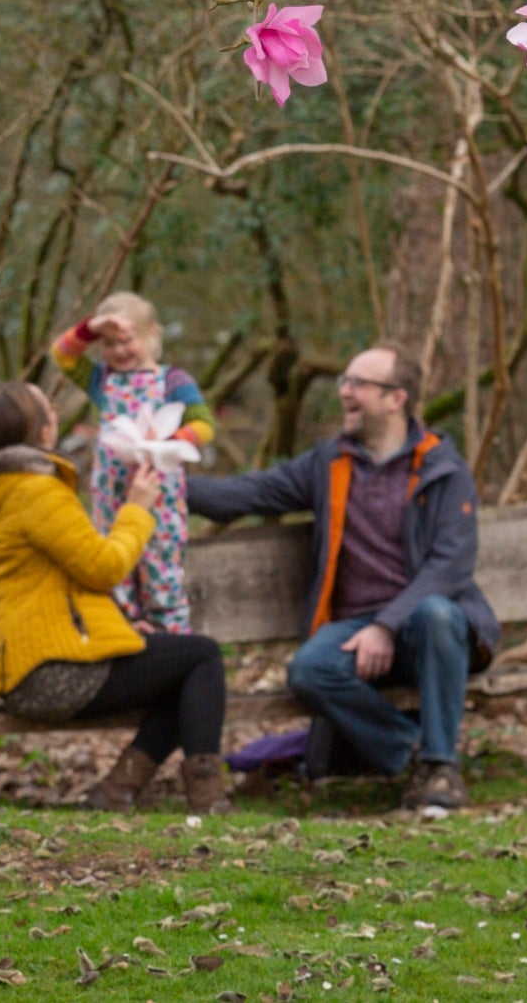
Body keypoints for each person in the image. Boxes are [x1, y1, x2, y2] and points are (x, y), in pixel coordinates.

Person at [185, 344, 494, 811]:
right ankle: (420, 758)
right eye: (344, 382)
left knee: (436, 613)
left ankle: (440, 763)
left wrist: (386, 625)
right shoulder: (329, 462)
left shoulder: (442, 466)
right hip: (353, 631)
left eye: (358, 384)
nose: (344, 392)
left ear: (396, 399)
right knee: (310, 669)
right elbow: (246, 495)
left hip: (425, 630)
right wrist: (170, 482)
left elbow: (450, 566)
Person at [0, 382, 232, 814]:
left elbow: (65, 581)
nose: (56, 415)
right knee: (202, 657)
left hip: (35, 667)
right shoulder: (35, 491)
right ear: (44, 432)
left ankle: (117, 791)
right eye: (51, 408)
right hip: (50, 674)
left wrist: (118, 628)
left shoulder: (4, 490)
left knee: (183, 669)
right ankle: (205, 798)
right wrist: (138, 507)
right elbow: (104, 567)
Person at [51, 293, 216, 634]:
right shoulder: (102, 380)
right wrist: (90, 328)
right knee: (116, 568)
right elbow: (62, 354)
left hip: (160, 501)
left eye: (126, 340)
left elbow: (203, 424)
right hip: (112, 501)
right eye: (108, 344)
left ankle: (172, 639)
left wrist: (167, 444)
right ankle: (125, 635)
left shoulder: (174, 381)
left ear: (152, 334)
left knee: (161, 570)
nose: (118, 351)